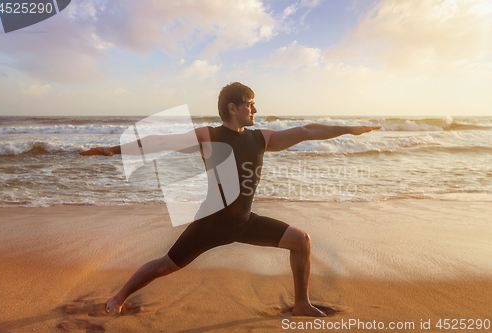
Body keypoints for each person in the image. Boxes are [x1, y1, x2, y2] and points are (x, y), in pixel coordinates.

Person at [80, 82, 381, 317]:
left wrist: (349, 130)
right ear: (233, 107)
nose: (255, 109)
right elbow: (159, 142)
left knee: (301, 241)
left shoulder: (261, 138)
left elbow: (305, 131)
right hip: (211, 224)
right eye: (250, 104)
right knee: (163, 267)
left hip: (244, 223)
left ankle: (301, 304)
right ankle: (117, 298)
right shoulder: (209, 135)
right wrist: (114, 150)